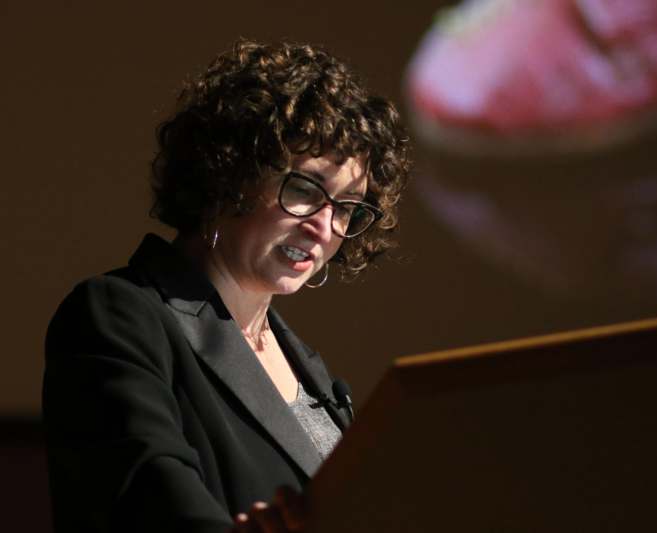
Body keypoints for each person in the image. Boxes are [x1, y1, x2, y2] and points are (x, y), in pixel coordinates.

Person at [42, 38, 411, 533]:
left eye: (346, 208)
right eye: (304, 188)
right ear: (229, 173)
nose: (325, 228)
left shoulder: (314, 373)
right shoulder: (117, 317)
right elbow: (147, 506)